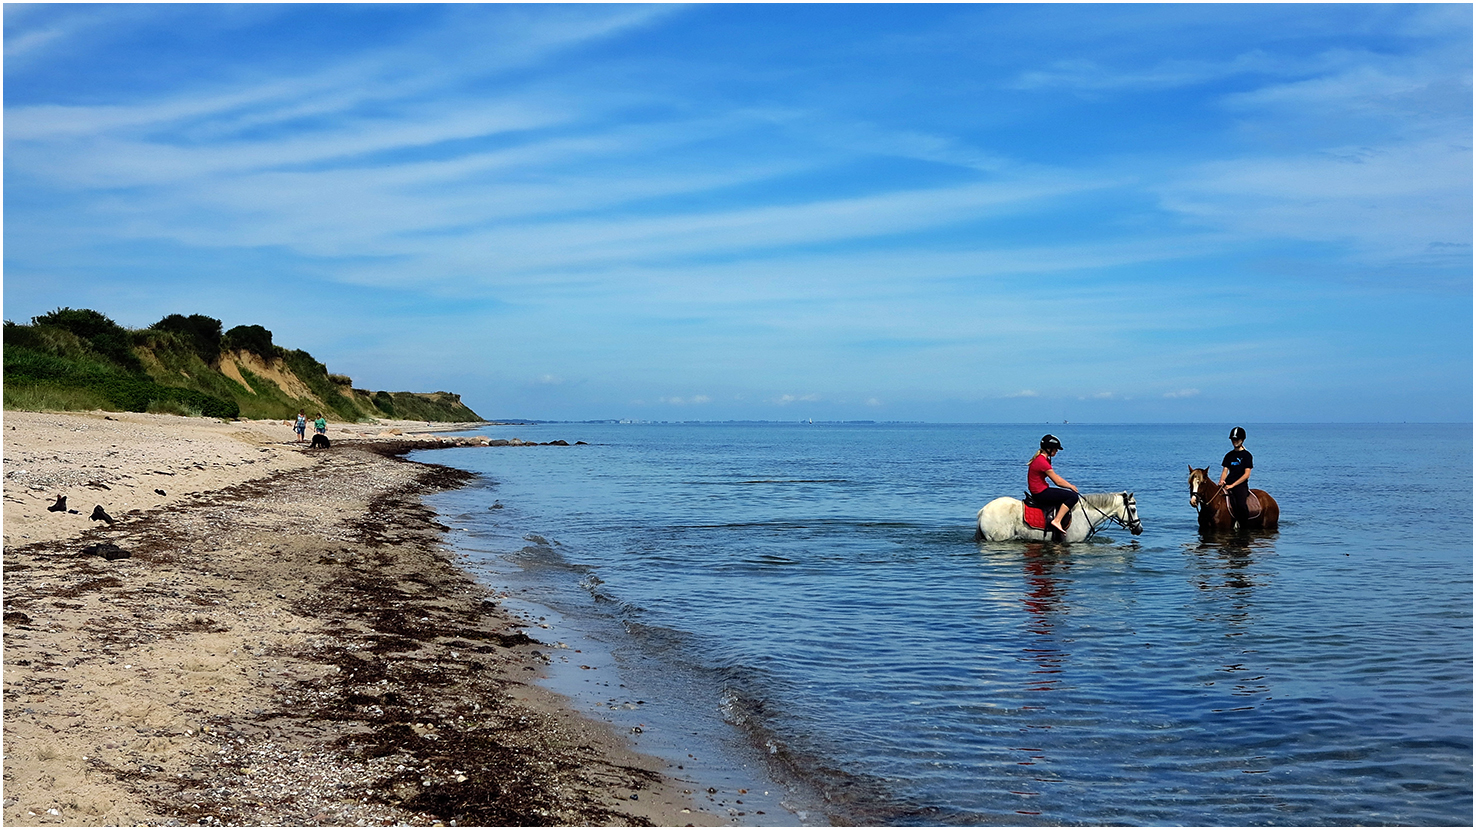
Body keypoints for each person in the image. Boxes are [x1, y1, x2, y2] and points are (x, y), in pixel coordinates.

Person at [1027, 434, 1080, 536]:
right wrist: (1071, 486)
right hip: (1040, 492)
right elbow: (1057, 481)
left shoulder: (1041, 459)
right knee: (1072, 496)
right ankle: (1057, 520)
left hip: (1039, 490)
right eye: (1055, 449)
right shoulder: (1042, 462)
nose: (1056, 452)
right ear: (1048, 449)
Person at [1218, 426, 1253, 522]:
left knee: (1241, 504)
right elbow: (1225, 471)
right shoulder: (1229, 455)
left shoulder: (1247, 456)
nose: (1235, 441)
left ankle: (1244, 525)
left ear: (1242, 440)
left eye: (1237, 439)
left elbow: (1246, 475)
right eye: (1233, 439)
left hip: (1240, 485)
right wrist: (1221, 481)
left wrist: (1233, 485)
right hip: (1228, 483)